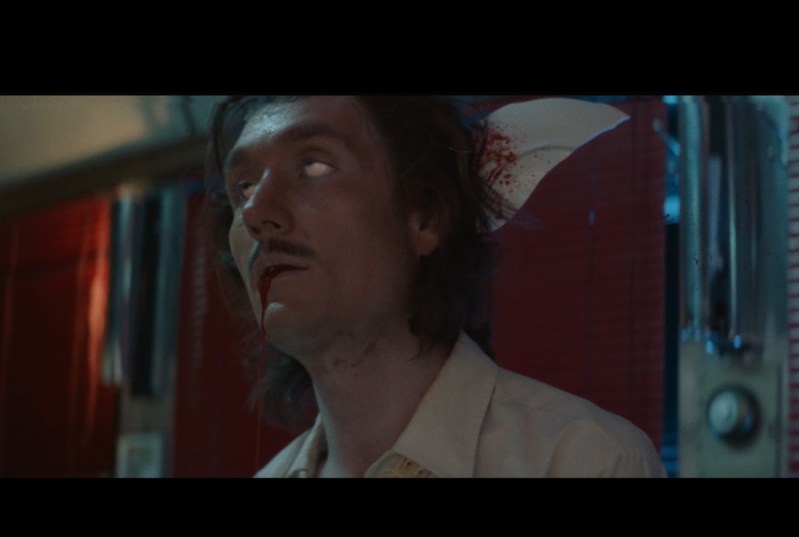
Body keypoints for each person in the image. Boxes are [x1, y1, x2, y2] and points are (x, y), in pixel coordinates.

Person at [205, 95, 666, 478]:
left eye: (314, 165)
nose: (255, 210)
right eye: (243, 188)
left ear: (424, 217)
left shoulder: (581, 461)